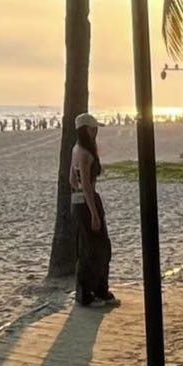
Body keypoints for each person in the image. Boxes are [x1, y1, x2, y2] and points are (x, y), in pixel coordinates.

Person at [69, 112, 115, 308]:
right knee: (93, 249)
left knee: (96, 248)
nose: (95, 132)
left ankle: (98, 290)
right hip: (87, 202)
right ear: (86, 130)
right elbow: (86, 186)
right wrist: (94, 213)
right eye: (93, 129)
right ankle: (87, 293)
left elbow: (72, 180)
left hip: (80, 201)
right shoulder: (85, 154)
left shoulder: (76, 150)